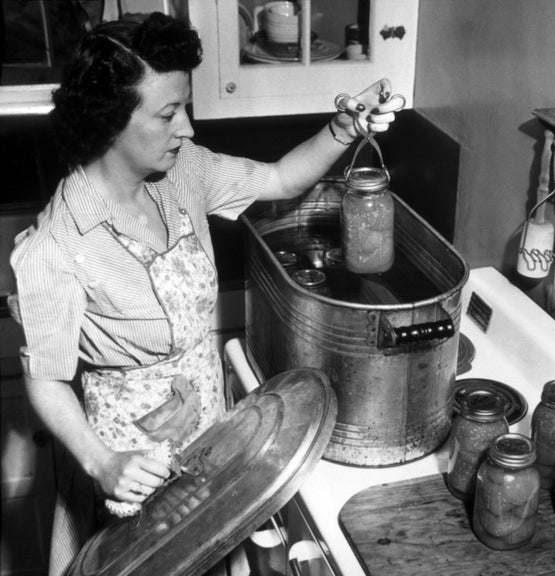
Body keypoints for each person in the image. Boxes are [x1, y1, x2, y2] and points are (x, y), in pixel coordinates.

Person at [9, 11, 402, 575]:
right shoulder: (58, 244)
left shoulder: (181, 171)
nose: (187, 127)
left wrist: (346, 126)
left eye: (185, 107)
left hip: (209, 431)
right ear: (109, 122)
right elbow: (45, 379)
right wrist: (103, 463)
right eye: (168, 113)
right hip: (131, 460)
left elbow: (280, 180)